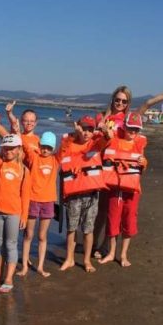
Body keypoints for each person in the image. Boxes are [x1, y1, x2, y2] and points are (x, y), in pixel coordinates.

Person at [93, 80, 163, 258]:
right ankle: (94, 243)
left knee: (114, 209)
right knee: (101, 209)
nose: (120, 104)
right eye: (117, 100)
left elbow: (148, 103)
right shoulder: (102, 116)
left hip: (121, 171)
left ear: (128, 103)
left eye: (124, 101)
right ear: (113, 100)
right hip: (103, 166)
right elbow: (95, 135)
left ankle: (105, 246)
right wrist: (104, 120)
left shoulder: (130, 118)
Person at [0, 134, 31, 293]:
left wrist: (24, 216)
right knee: (0, 243)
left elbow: (26, 195)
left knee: (11, 244)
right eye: (6, 148)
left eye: (12, 148)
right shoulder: (0, 165)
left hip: (14, 213)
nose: (8, 151)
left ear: (18, 150)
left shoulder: (24, 170)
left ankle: (8, 278)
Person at [58, 116, 107, 272]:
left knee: (88, 229)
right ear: (78, 128)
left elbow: (108, 138)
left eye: (90, 130)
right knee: (71, 229)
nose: (87, 133)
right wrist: (74, 133)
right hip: (73, 196)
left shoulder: (96, 144)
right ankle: (69, 259)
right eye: (84, 129)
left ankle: (86, 261)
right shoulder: (69, 144)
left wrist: (104, 128)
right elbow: (59, 155)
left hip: (91, 195)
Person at [99, 112, 147, 267]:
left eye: (136, 130)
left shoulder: (139, 145)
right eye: (131, 128)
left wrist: (144, 162)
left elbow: (142, 168)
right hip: (116, 189)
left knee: (129, 220)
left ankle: (123, 255)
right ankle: (111, 253)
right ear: (125, 126)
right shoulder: (114, 141)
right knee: (113, 220)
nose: (133, 132)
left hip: (132, 191)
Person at [19, 131, 60, 277]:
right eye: (43, 146)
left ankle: (40, 267)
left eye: (49, 148)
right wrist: (17, 129)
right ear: (39, 144)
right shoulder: (34, 157)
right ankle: (24, 266)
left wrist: (74, 133)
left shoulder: (55, 160)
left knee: (42, 236)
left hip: (48, 201)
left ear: (53, 149)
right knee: (28, 234)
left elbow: (66, 148)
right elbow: (24, 145)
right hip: (32, 200)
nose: (45, 150)